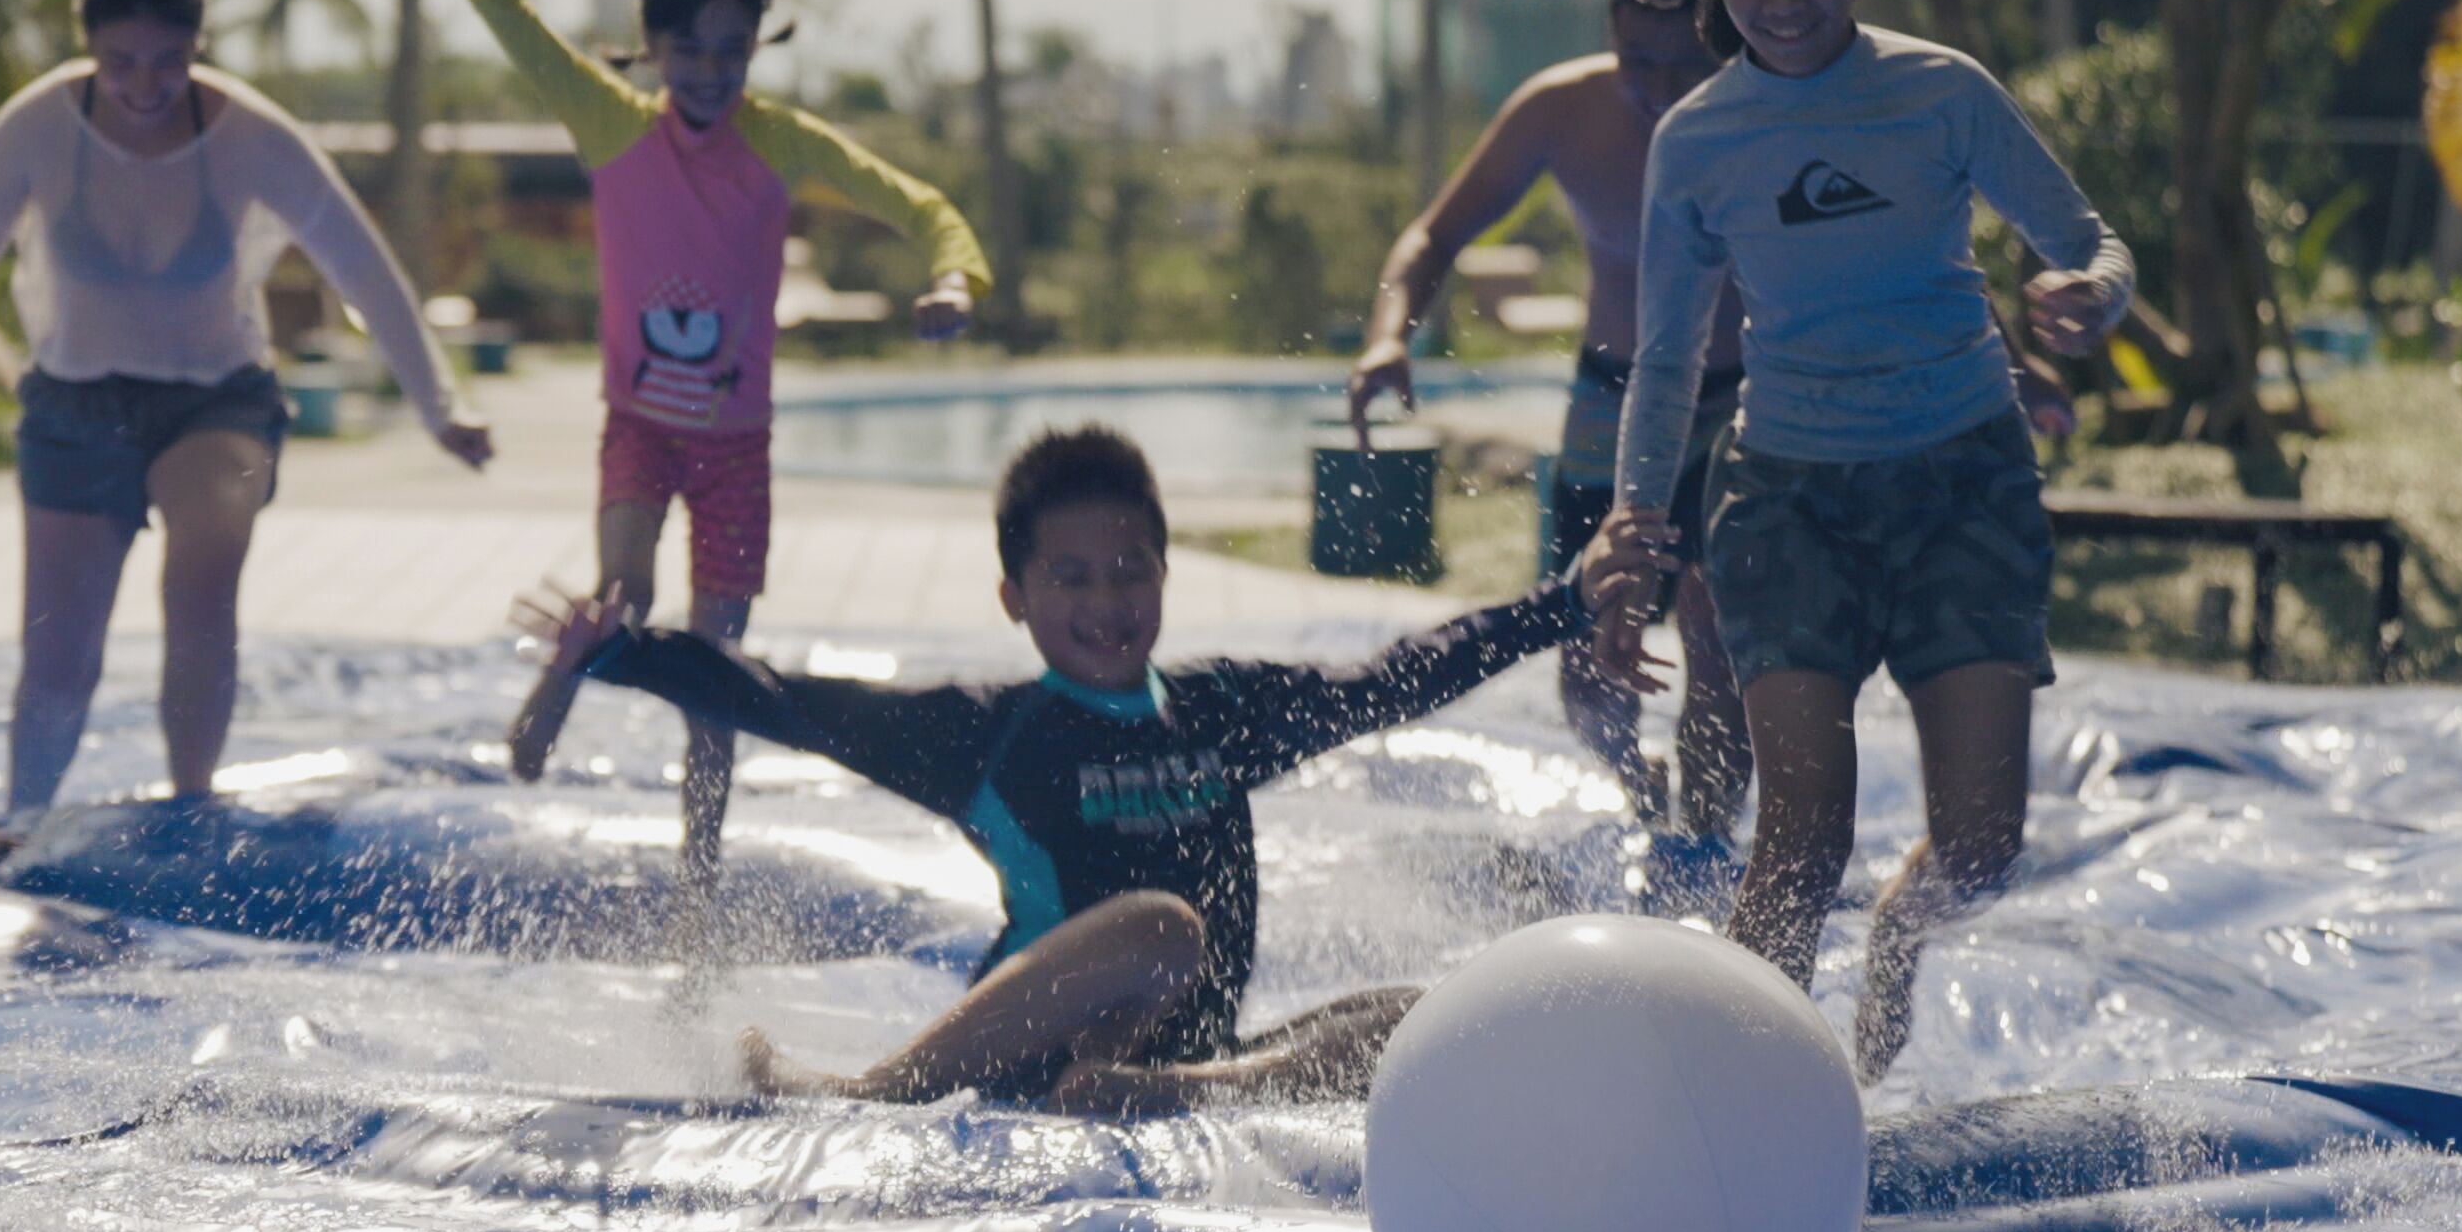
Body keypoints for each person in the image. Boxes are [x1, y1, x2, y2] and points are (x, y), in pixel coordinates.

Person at [516, 426, 1640, 1115]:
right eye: (1071, 581)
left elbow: (1397, 674)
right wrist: (618, 652)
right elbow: (790, 704)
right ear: (1015, 598)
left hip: (1189, 1054)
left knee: (1431, 1016)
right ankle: (868, 1091)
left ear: (1164, 573)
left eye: (1129, 573)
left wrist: (1563, 602)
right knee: (1162, 925)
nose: (1107, 605)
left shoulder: (1223, 708)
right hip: (1019, 1055)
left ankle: (1183, 1093)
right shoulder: (990, 732)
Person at [1582, 0, 2124, 1083]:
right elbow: (1667, 360)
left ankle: (1901, 928)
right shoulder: (1698, 138)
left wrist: (2094, 293)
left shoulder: (1940, 91)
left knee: (1983, 848)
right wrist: (1631, 527)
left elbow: (2088, 238)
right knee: (1799, 841)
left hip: (1963, 481)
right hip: (1787, 498)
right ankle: (1736, 1105)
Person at [476, 0, 993, 916]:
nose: (710, 73)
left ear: (755, 49)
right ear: (654, 48)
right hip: (642, 425)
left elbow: (922, 205)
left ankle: (696, 891)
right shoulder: (613, 123)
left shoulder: (781, 146)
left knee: (717, 676)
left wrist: (953, 274)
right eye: (689, 51)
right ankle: (555, 694)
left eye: (733, 52)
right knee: (620, 590)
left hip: (737, 449)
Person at [0, 0, 487, 821]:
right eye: (120, 61)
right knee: (61, 650)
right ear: (88, 44)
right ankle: (22, 826)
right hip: (75, 407)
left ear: (198, 43)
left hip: (220, 403)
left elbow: (364, 270)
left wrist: (439, 407)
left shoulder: (251, 136)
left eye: (168, 61)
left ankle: (192, 807)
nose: (143, 85)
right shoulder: (39, 125)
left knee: (202, 580)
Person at [1349, 0, 1752, 859]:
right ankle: (1640, 789)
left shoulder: (1759, 113)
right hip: (1611, 402)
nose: (1654, 88)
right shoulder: (1563, 111)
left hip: (1739, 401)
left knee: (1716, 631)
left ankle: (1707, 843)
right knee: (1589, 660)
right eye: (1634, 60)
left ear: (1721, 44)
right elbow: (1432, 237)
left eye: (1680, 63)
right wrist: (1386, 339)